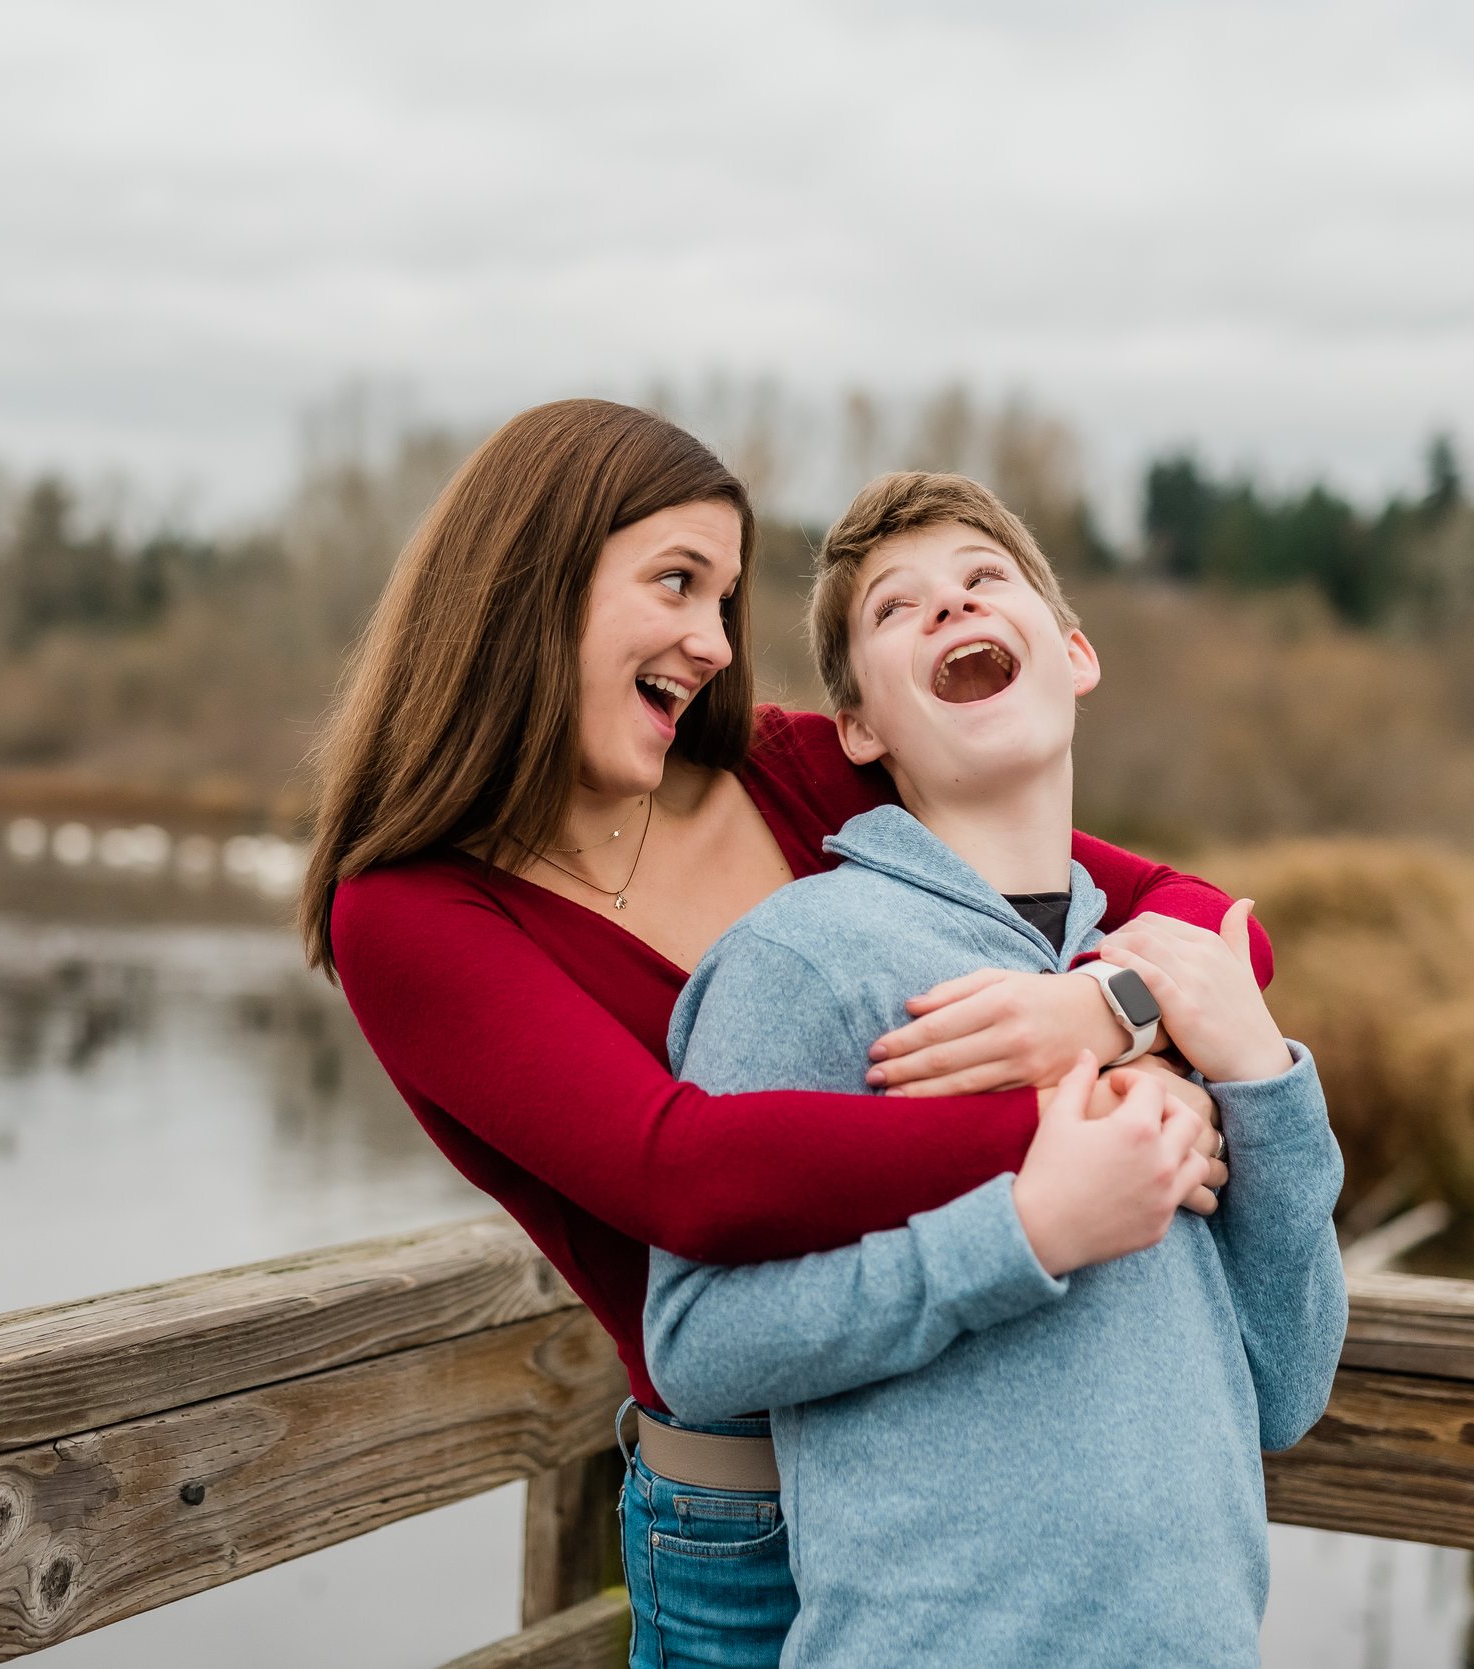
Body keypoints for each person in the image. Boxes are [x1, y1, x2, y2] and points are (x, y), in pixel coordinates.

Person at [301, 400, 1276, 1668]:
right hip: (744, 1517)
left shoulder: (793, 772)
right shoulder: (414, 915)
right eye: (676, 583)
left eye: (725, 598)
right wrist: (1074, 1129)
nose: (713, 642)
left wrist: (1103, 1011)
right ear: (532, 587)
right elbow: (683, 1172)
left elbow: (1204, 922)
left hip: (974, 1482)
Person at [643, 472, 1347, 1668]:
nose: (950, 610)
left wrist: (1260, 1077)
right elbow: (700, 1349)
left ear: (1072, 653)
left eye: (983, 581)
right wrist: (1026, 1235)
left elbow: (1286, 1388)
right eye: (895, 608)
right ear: (860, 727)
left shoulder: (1163, 979)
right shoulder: (802, 961)